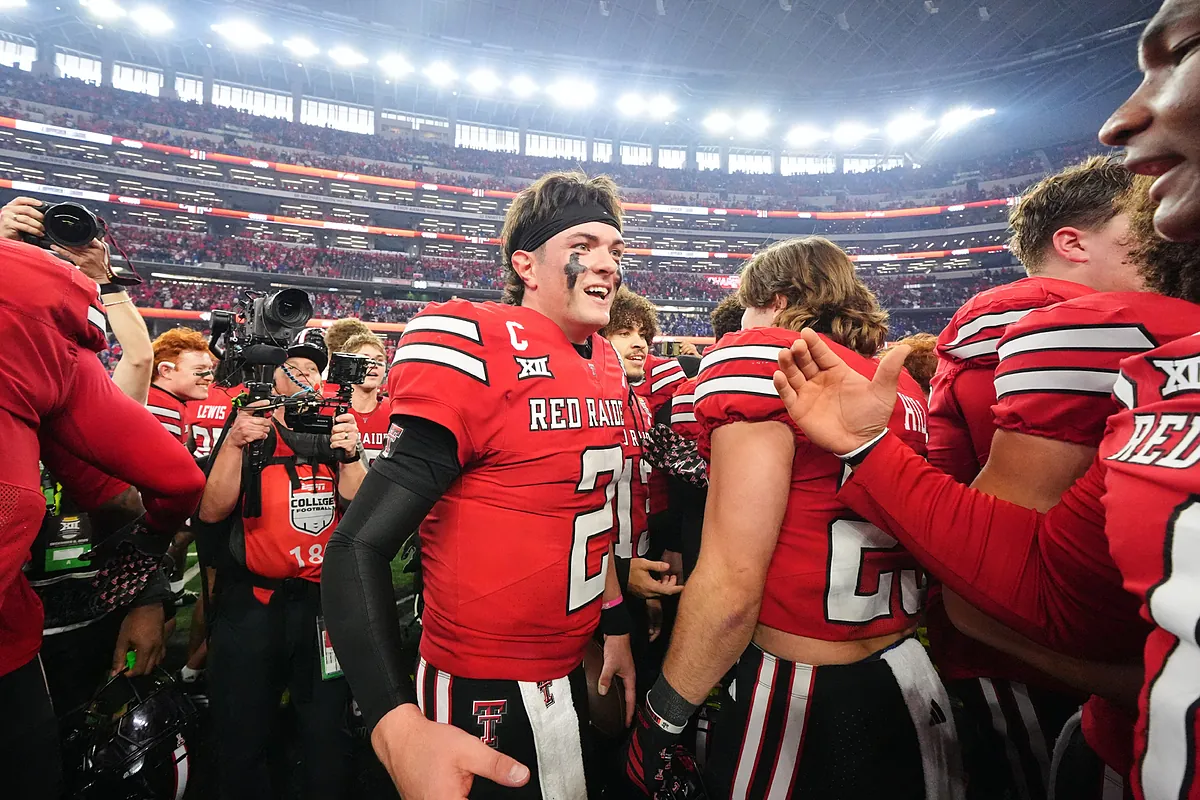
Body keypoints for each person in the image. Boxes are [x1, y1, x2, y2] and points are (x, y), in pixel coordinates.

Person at [769, 18, 1200, 785]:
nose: (1121, 119)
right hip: (1055, 702)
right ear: (1073, 244)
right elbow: (1011, 589)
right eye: (1131, 233)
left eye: (1187, 52)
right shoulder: (1092, 327)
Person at [322, 171, 637, 799]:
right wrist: (396, 725)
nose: (607, 264)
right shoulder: (485, 344)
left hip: (571, 660)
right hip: (482, 681)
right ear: (527, 264)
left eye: (616, 249)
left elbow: (583, 508)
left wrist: (616, 624)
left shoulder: (603, 360)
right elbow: (357, 546)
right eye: (584, 244)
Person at [625, 237, 961, 799]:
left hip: (803, 686)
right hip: (908, 673)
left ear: (776, 301)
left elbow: (733, 579)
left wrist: (664, 714)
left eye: (748, 306)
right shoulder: (896, 385)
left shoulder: (769, 358)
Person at [921, 157, 1146, 800]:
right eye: (1142, 226)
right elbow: (1020, 531)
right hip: (1031, 654)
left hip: (1052, 650)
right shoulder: (1045, 333)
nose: (1164, 243)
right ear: (1072, 243)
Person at [0, 236, 206, 800]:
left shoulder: (69, 384)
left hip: (73, 618)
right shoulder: (58, 368)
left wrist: (144, 593)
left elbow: (127, 500)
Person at [198, 330, 365, 800]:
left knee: (327, 731)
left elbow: (361, 508)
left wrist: (351, 455)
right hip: (253, 604)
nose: (306, 374)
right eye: (293, 367)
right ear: (270, 378)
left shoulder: (337, 427)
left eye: (314, 367)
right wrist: (233, 446)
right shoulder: (248, 427)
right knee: (243, 729)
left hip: (321, 606)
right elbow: (210, 512)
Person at [599, 287, 684, 691]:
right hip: (588, 587)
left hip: (632, 576)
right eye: (624, 332)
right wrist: (617, 575)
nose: (639, 345)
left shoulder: (638, 404)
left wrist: (644, 588)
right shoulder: (583, 401)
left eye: (644, 336)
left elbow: (652, 492)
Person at [147, 327, 215, 447]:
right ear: (166, 371)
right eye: (199, 369)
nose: (209, 377)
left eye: (210, 369)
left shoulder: (163, 400)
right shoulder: (162, 408)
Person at [336, 331, 391, 466]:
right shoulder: (330, 411)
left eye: (379, 360)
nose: (373, 365)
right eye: (365, 359)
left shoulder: (396, 411)